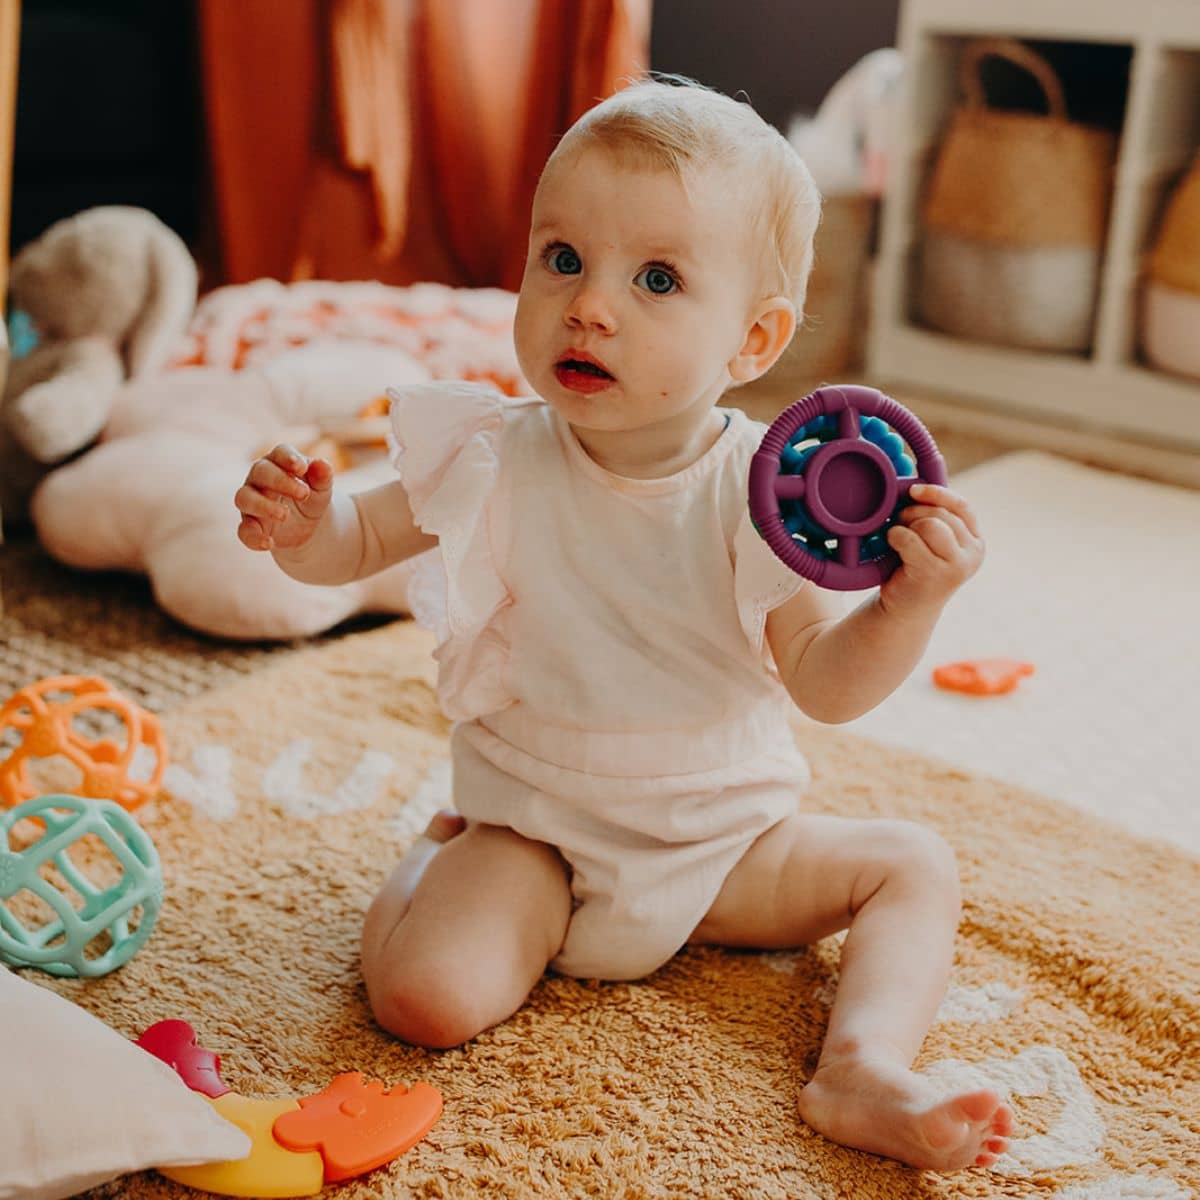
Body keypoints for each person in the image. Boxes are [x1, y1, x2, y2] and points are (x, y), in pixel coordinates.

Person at [234, 77, 1011, 1171]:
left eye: (656, 279)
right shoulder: (488, 454)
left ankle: (862, 1066)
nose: (590, 306)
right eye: (562, 260)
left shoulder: (760, 491)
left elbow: (828, 686)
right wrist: (305, 522)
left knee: (912, 864)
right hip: (535, 832)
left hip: (728, 843)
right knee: (422, 1001)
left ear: (754, 340)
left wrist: (910, 600)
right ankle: (432, 858)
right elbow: (350, 548)